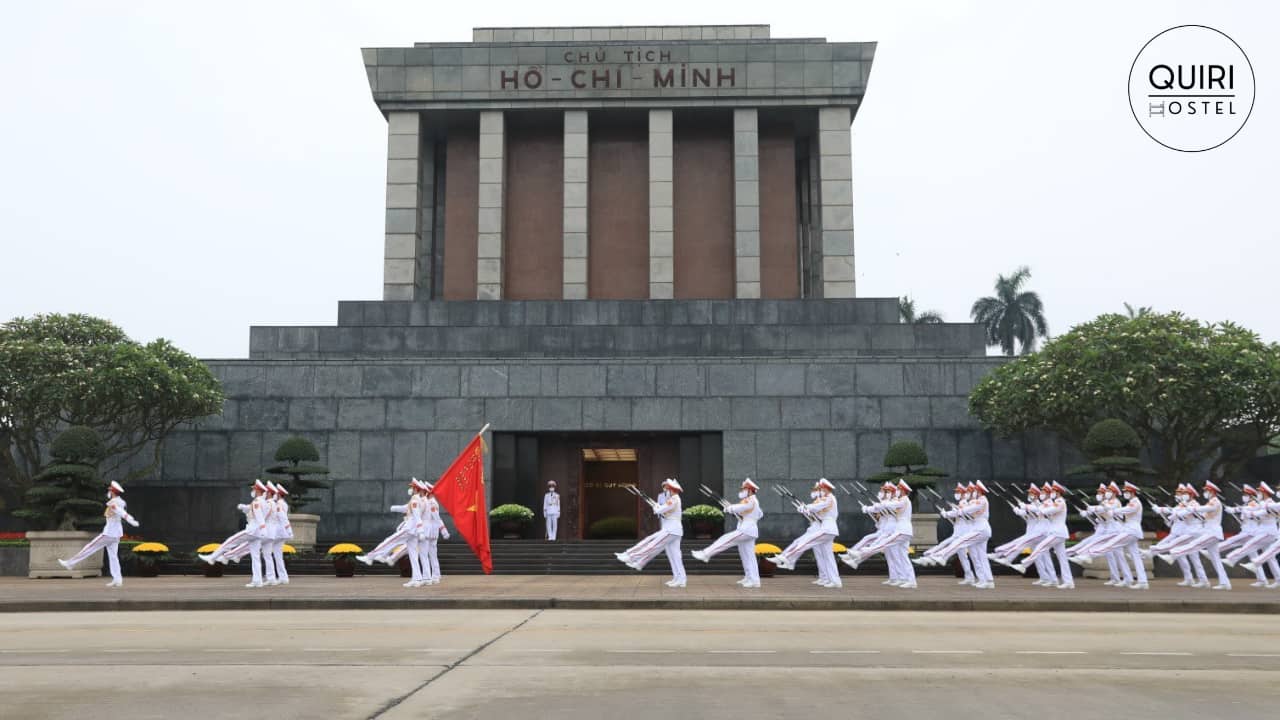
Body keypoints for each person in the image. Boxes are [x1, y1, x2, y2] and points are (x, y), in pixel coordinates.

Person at [58, 481, 139, 588]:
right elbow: (119, 512)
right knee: (113, 557)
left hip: (109, 533)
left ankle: (70, 563)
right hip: (116, 534)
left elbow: (119, 511)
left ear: (113, 492)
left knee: (89, 547)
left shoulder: (114, 502)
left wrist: (130, 519)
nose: (108, 491)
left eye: (110, 490)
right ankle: (117, 579)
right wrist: (129, 519)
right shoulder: (120, 501)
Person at [1156, 481, 1231, 590]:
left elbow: (1205, 509)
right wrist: (1184, 512)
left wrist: (1193, 509)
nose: (1205, 492)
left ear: (1212, 491)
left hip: (1212, 533)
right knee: (1215, 559)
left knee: (1194, 545)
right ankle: (1225, 583)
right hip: (1209, 532)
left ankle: (1173, 555)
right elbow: (1202, 516)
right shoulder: (1210, 502)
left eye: (1206, 491)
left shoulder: (1214, 501)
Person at [767, 478, 841, 588]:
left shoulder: (829, 498)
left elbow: (816, 507)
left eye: (821, 488)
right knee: (828, 556)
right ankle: (835, 581)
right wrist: (805, 509)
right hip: (827, 528)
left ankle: (786, 558)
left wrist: (806, 507)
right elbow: (817, 513)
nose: (820, 490)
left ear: (825, 488)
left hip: (827, 529)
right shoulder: (827, 499)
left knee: (806, 541)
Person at [841, 480, 915, 589]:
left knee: (882, 545)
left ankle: (859, 555)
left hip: (899, 530)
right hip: (898, 529)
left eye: (897, 490)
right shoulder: (898, 500)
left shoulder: (903, 500)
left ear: (902, 491)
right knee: (897, 556)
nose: (885, 493)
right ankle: (901, 578)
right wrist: (873, 508)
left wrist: (878, 505)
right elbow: (884, 509)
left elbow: (890, 506)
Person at [691, 478, 764, 588]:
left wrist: (730, 508)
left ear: (749, 490)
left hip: (746, 529)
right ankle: (752, 579)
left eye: (744, 489)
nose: (742, 490)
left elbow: (743, 507)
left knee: (725, 539)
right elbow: (759, 514)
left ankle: (706, 554)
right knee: (748, 556)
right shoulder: (754, 500)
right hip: (750, 529)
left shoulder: (750, 500)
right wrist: (741, 515)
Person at [615, 478, 687, 587]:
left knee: (652, 545)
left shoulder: (673, 499)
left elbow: (660, 510)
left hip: (671, 530)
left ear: (671, 489)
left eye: (668, 488)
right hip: (673, 529)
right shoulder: (674, 499)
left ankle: (632, 556)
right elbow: (664, 512)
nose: (666, 490)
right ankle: (680, 579)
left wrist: (656, 507)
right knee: (674, 556)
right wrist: (657, 506)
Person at [357, 479, 419, 566]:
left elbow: (416, 515)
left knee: (389, 541)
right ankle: (418, 577)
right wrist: (393, 508)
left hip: (410, 528)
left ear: (416, 489)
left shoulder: (416, 499)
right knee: (411, 553)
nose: (411, 489)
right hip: (414, 529)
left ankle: (370, 557)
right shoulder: (417, 499)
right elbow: (407, 508)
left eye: (412, 487)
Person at [420, 480, 451, 585]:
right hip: (433, 531)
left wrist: (443, 530)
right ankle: (435, 575)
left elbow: (437, 518)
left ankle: (433, 576)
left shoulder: (432, 503)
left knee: (428, 554)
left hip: (430, 531)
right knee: (432, 554)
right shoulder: (431, 502)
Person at [269, 481, 292, 585]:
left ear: (278, 494)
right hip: (281, 532)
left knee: (269, 553)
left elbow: (283, 517)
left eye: (275, 493)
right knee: (278, 555)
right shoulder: (283, 503)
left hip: (277, 531)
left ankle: (274, 576)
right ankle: (283, 577)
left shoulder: (278, 504)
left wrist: (289, 529)